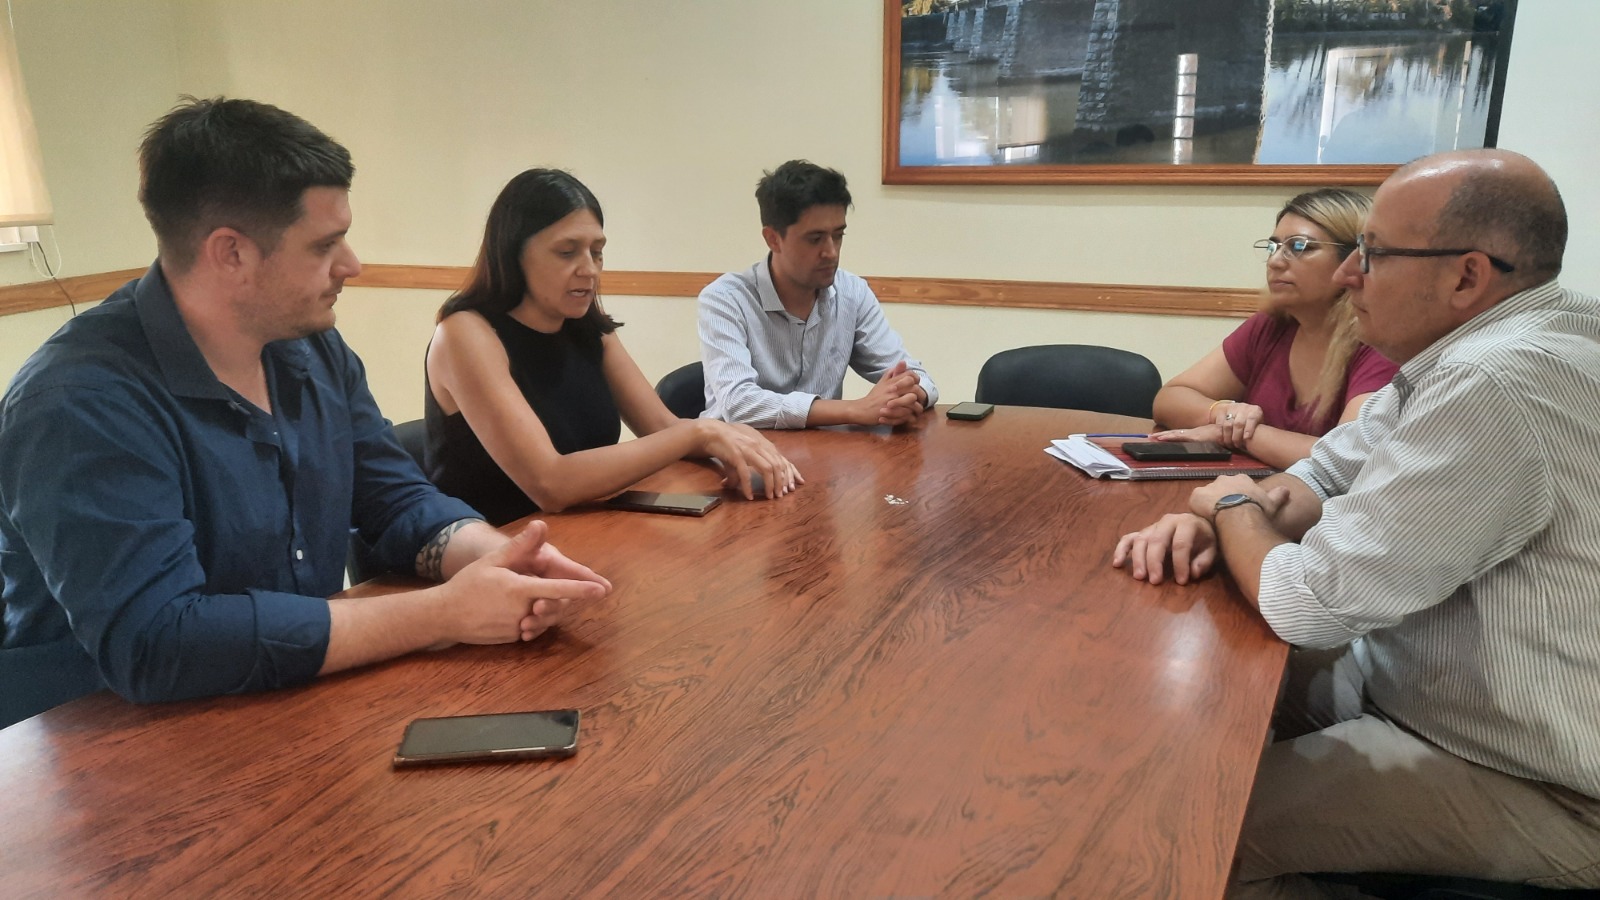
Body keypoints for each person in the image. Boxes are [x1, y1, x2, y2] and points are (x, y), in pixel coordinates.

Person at [0, 98, 611, 726]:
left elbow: (395, 499)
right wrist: (442, 613)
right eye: (325, 244)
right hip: (109, 744)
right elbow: (158, 642)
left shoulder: (313, 348)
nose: (352, 265)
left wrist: (497, 558)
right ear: (231, 253)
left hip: (289, 706)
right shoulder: (78, 404)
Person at [1113, 149, 1600, 894]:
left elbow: (1308, 603)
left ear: (1467, 276)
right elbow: (1327, 471)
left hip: (1535, 775)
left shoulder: (1493, 380)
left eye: (1371, 254)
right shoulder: (1476, 350)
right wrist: (1229, 522)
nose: (1347, 275)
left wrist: (1231, 506)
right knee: (1201, 691)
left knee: (1180, 827)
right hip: (1425, 684)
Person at [424, 169, 801, 526]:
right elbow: (551, 483)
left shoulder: (587, 324)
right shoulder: (465, 333)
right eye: (567, 252)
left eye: (597, 251)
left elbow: (661, 427)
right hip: (493, 547)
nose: (589, 269)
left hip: (582, 529)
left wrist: (734, 441)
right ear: (513, 254)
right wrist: (699, 432)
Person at [1149, 188, 1398, 469]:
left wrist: (1236, 435)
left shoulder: (1379, 339)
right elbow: (1170, 398)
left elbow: (1346, 458)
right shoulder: (1272, 325)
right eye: (1273, 247)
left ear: (1353, 259)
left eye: (1300, 247)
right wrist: (1224, 413)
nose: (1275, 261)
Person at [699, 160, 938, 429]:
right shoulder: (725, 299)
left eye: (838, 235)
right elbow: (738, 404)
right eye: (815, 239)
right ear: (773, 239)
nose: (831, 252)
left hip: (824, 450)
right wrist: (854, 410)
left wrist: (909, 395)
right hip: (739, 451)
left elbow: (915, 375)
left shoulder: (852, 292)